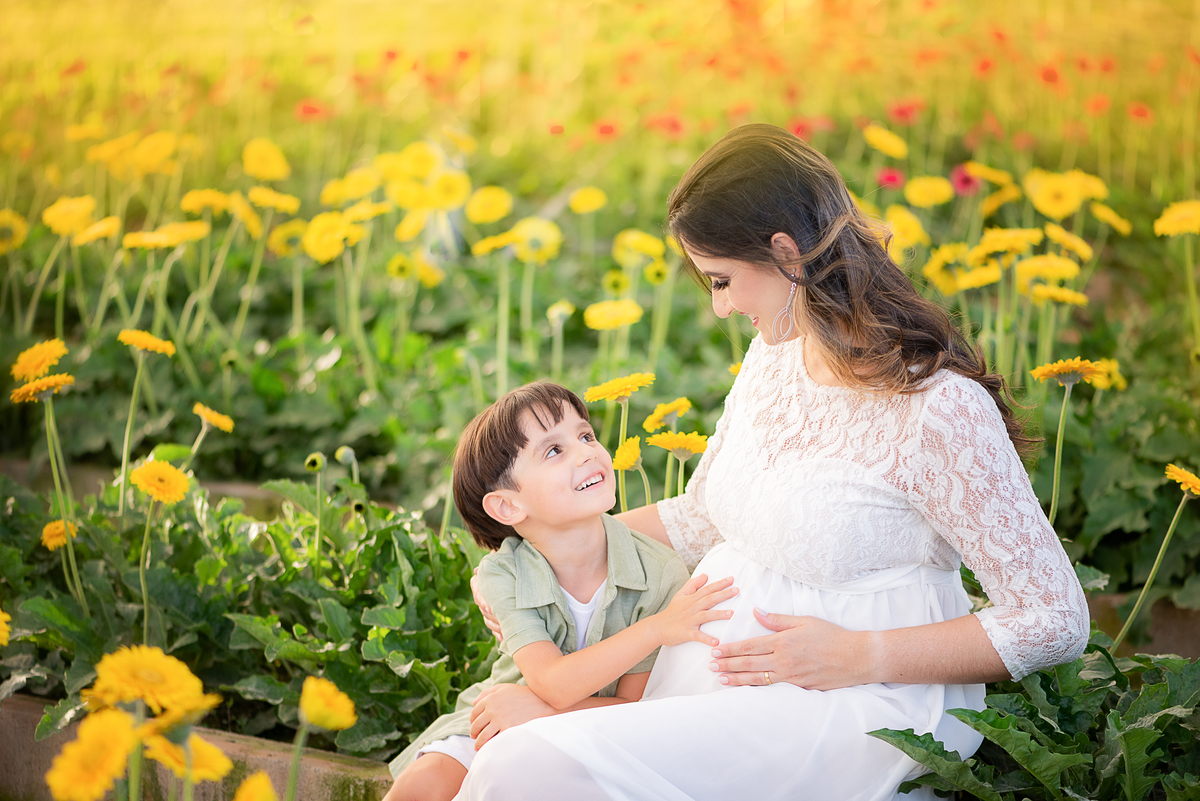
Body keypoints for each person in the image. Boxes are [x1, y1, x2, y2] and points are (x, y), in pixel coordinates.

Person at [456, 124, 1091, 801]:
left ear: (786, 253)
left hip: (850, 707)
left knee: (524, 767)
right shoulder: (774, 356)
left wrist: (856, 655)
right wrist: (528, 556)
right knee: (502, 752)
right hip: (710, 685)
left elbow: (1053, 617)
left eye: (724, 280)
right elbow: (702, 516)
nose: (720, 305)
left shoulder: (938, 407)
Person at [384, 381, 737, 801]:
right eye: (555, 450)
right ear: (509, 507)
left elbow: (634, 709)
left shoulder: (658, 572)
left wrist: (538, 711)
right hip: (500, 712)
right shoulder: (504, 574)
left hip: (600, 729)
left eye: (586, 435)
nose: (587, 451)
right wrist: (660, 628)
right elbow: (551, 681)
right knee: (421, 786)